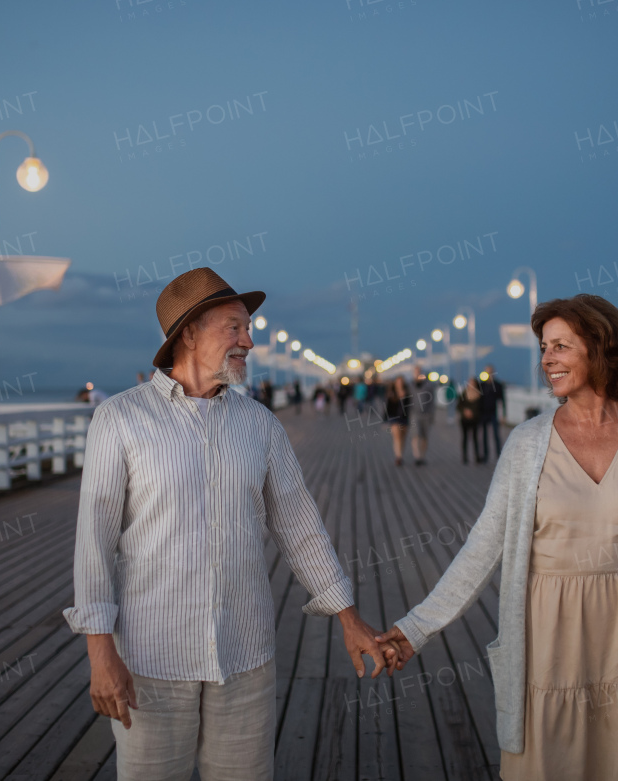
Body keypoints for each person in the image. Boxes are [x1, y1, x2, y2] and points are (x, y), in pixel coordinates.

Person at [64, 267, 398, 781]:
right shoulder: (120, 419)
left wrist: (348, 617)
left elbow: (299, 525)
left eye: (248, 328)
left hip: (245, 656)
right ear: (189, 332)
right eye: (235, 327)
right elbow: (95, 542)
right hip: (151, 662)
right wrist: (99, 650)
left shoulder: (258, 424)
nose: (249, 340)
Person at [378, 293, 618, 780]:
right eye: (544, 347)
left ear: (601, 348)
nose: (547, 358)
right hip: (547, 636)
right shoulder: (528, 442)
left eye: (561, 346)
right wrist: (415, 628)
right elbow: (483, 547)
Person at [478, 365, 506, 462]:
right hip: (483, 413)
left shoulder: (498, 385)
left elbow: (502, 400)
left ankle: (499, 455)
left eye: (490, 372)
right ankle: (485, 456)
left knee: (496, 435)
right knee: (484, 435)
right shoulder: (481, 385)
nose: (489, 374)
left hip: (494, 413)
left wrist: (503, 415)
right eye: (487, 372)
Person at [411, 366, 436, 466]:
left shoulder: (429, 385)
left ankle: (422, 456)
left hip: (426, 414)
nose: (418, 374)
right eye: (416, 372)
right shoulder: (410, 385)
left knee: (425, 437)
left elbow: (432, 401)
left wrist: (432, 415)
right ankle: (417, 456)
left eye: (419, 372)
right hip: (414, 414)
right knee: (416, 435)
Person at [385, 374, 411, 466]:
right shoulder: (391, 393)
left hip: (404, 418)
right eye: (398, 382)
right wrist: (385, 420)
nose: (399, 383)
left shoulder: (407, 393)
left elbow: (410, 406)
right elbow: (387, 407)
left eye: (401, 382)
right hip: (394, 418)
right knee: (397, 437)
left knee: (403, 438)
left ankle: (400, 454)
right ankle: (398, 456)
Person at [456, 378, 483, 464]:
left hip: (475, 419)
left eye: (472, 383)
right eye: (469, 383)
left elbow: (481, 408)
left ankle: (476, 456)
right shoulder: (464, 393)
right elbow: (459, 405)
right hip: (464, 419)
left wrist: (473, 413)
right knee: (465, 438)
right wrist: (465, 411)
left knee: (475, 438)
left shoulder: (479, 395)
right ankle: (465, 457)